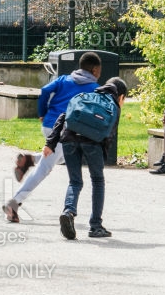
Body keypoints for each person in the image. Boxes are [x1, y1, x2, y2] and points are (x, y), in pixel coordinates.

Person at [2, 52, 102, 223]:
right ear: (94, 70)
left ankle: (29, 159)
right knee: (45, 168)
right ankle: (14, 203)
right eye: (99, 71)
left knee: (61, 158)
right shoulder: (94, 88)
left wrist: (42, 112)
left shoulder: (64, 79)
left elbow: (45, 90)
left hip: (49, 124)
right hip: (64, 131)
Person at [46, 77, 128, 239]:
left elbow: (64, 116)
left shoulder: (87, 96)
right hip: (93, 143)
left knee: (75, 181)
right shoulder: (113, 106)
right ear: (121, 97)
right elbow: (109, 135)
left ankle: (68, 212)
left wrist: (50, 143)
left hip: (69, 138)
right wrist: (102, 157)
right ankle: (96, 226)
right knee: (97, 180)